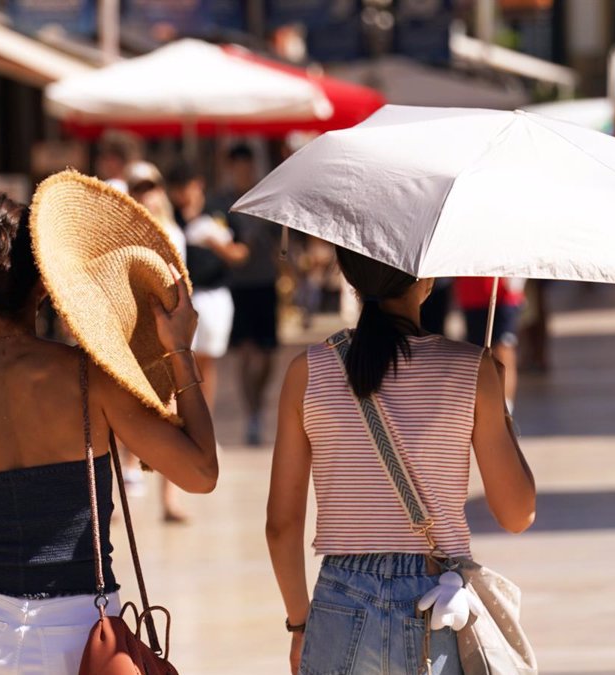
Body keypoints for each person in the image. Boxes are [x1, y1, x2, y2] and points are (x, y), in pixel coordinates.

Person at [0, 189, 218, 675]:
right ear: (43, 284)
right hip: (87, 637)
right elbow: (200, 474)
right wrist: (180, 352)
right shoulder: (93, 381)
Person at [265, 247, 535, 674]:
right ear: (425, 279)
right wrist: (498, 406)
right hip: (437, 601)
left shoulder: (308, 371)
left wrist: (300, 623)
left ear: (351, 279)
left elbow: (281, 526)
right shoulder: (472, 370)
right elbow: (517, 514)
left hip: (339, 601)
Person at [126, 161, 190, 521]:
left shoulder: (172, 232)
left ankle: (170, 496)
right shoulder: (119, 232)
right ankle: (126, 479)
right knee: (124, 404)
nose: (146, 194)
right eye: (139, 187)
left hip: (164, 326)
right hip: (130, 327)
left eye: (151, 187)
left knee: (171, 410)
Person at [212, 143, 282, 446]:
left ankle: (258, 403)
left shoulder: (265, 198)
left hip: (265, 282)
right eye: (237, 165)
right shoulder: (222, 203)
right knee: (245, 352)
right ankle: (251, 412)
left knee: (267, 354)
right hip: (238, 285)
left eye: (246, 165)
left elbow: (281, 239)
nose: (242, 170)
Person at [167, 161, 249, 420]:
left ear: (197, 185)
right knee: (180, 362)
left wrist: (213, 241)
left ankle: (205, 420)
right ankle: (182, 419)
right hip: (181, 296)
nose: (182, 195)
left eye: (186, 188)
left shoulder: (218, 211)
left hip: (214, 293)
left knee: (206, 360)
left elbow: (240, 254)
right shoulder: (171, 216)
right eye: (177, 189)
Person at [454, 276, 526, 406]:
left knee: (504, 349)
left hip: (506, 294)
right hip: (471, 294)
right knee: (479, 357)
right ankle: (485, 408)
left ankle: (507, 409)